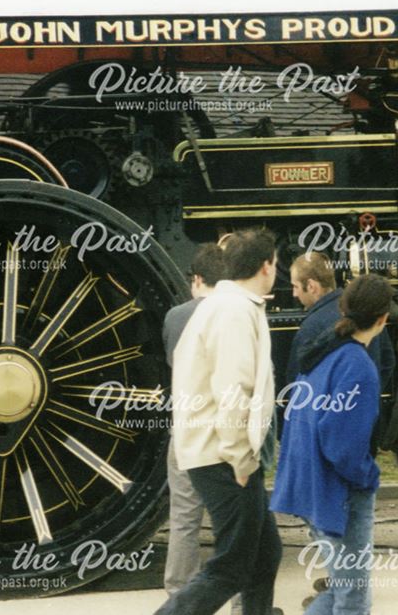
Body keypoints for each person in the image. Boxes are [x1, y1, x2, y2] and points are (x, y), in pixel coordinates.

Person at [156, 229, 282, 615]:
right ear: (266, 266)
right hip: (223, 456)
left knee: (265, 554)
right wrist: (240, 459)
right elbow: (233, 390)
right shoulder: (235, 311)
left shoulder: (229, 304)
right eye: (276, 263)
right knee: (231, 566)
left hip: (215, 453)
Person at [271, 273, 394, 615]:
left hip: (309, 484)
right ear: (384, 319)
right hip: (341, 492)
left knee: (339, 590)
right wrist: (368, 476)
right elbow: (342, 446)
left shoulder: (324, 352)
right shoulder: (359, 366)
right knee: (353, 600)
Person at [161, 243, 239, 615]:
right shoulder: (235, 314)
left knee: (184, 517)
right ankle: (241, 598)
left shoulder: (175, 316)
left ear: (196, 279)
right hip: (223, 430)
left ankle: (180, 595)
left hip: (186, 428)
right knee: (235, 520)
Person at [287, 252, 395, 407]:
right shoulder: (364, 308)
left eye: (295, 286)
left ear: (311, 286)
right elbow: (387, 361)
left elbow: (296, 383)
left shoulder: (311, 327)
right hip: (368, 413)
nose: (294, 293)